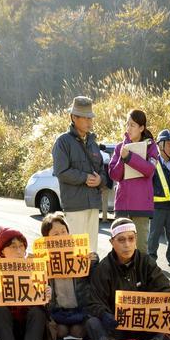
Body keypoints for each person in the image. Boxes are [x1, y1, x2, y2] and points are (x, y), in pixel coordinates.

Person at [85, 217, 170, 340]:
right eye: (121, 240)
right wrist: (105, 315)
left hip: (147, 323)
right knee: (92, 323)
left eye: (131, 239)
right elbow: (93, 302)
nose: (127, 244)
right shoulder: (104, 268)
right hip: (117, 326)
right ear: (112, 242)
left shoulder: (146, 262)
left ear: (136, 240)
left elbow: (165, 289)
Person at [51, 95, 107, 253]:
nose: (90, 122)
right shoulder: (62, 142)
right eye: (85, 118)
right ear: (73, 117)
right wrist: (84, 178)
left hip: (93, 205)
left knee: (92, 250)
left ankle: (91, 277)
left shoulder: (93, 143)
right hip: (75, 206)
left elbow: (102, 170)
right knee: (76, 251)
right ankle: (78, 279)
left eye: (91, 118)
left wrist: (100, 180)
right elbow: (61, 171)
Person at [108, 109, 159, 255]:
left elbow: (149, 170)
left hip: (141, 206)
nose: (128, 128)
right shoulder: (119, 147)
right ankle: (120, 278)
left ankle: (141, 278)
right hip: (122, 206)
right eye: (127, 124)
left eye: (132, 125)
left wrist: (129, 157)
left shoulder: (151, 147)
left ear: (142, 128)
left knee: (141, 250)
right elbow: (114, 175)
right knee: (119, 251)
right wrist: (122, 157)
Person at [40, 212, 88, 339]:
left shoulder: (78, 256)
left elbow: (91, 271)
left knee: (78, 331)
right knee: (60, 331)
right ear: (46, 240)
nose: (61, 236)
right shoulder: (44, 261)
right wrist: (32, 262)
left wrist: (93, 259)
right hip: (58, 312)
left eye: (63, 231)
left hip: (78, 310)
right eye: (55, 234)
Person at [147, 129, 170, 270]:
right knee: (153, 237)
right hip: (158, 208)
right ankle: (151, 261)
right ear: (160, 146)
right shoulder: (153, 164)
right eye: (169, 144)